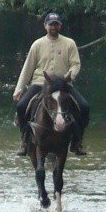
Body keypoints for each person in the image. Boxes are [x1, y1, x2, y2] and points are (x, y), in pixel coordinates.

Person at [12, 12, 89, 155]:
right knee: (21, 106)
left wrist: (69, 76)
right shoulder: (37, 44)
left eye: (56, 24)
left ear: (60, 26)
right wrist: (19, 88)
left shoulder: (69, 43)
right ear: (45, 26)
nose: (53, 27)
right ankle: (25, 141)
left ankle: (77, 142)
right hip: (40, 83)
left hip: (63, 84)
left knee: (84, 107)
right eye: (51, 24)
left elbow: (76, 64)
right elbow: (28, 67)